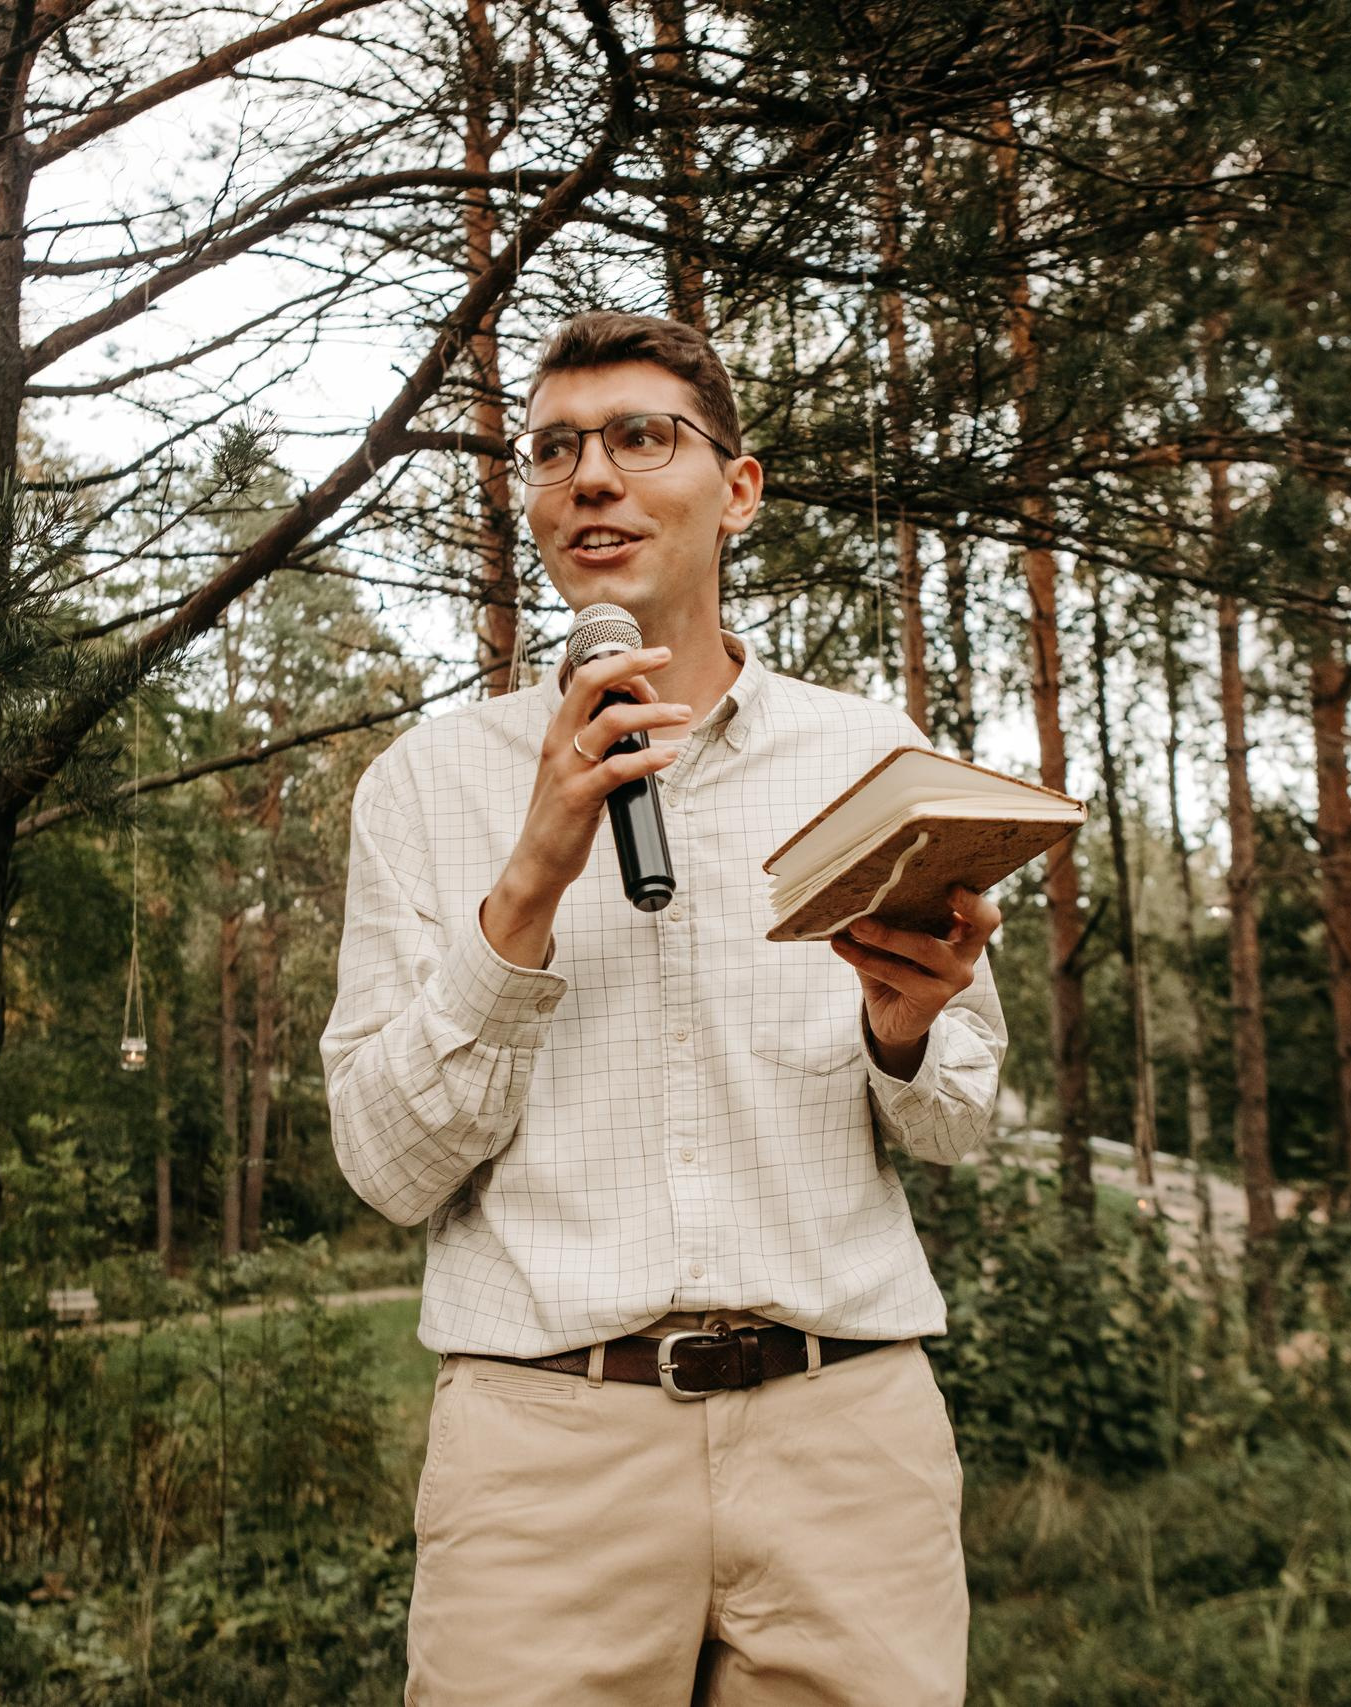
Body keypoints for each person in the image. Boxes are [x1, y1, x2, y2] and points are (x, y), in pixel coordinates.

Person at [320, 309, 1007, 1706]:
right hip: (543, 1455)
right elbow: (387, 1171)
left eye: (642, 438)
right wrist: (527, 884)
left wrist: (906, 1030)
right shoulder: (427, 787)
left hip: (845, 1443)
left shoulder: (871, 760)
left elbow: (961, 1127)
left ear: (737, 489)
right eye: (555, 450)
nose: (591, 477)